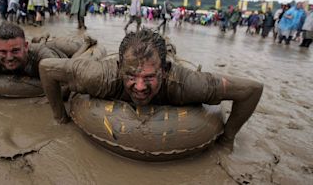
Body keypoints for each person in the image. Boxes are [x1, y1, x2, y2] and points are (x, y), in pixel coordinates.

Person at [39, 29, 263, 151]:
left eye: (149, 77)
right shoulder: (100, 76)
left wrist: (227, 138)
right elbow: (47, 68)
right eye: (131, 76)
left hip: (173, 67)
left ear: (164, 71)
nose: (139, 86)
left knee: (167, 49)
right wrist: (60, 118)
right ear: (119, 68)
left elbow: (252, 89)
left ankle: (168, 45)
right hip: (109, 68)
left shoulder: (186, 84)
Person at [0, 22, 97, 134]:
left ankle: (84, 45)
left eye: (15, 50)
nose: (9, 58)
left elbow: (65, 87)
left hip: (59, 55)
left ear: (26, 46)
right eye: (3, 51)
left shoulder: (42, 56)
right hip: (32, 76)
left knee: (75, 60)